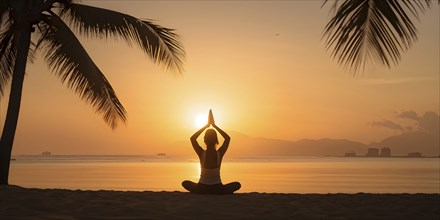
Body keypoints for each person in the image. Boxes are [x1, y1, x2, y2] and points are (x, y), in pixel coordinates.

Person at [182, 110, 241, 194]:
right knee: (237, 184)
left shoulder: (201, 153)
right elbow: (227, 138)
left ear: (204, 140)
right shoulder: (219, 154)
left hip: (201, 188)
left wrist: (206, 126)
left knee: (185, 183)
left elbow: (193, 139)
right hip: (217, 189)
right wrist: (214, 126)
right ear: (216, 140)